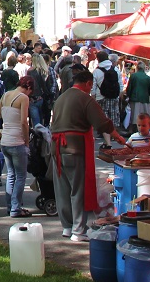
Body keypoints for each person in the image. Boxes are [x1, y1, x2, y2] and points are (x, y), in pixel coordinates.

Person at [50, 65, 125, 241]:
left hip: (57, 148)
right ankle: (78, 230)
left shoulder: (61, 98)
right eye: (91, 86)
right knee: (78, 189)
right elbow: (102, 123)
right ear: (88, 83)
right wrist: (118, 137)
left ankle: (67, 227)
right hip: (75, 148)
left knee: (62, 189)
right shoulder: (85, 99)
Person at [0, 72, 32, 217]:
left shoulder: (5, 95)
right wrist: (27, 141)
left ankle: (10, 206)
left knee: (11, 175)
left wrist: (8, 115)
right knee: (21, 176)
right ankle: (16, 207)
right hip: (17, 140)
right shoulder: (23, 98)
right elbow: (24, 122)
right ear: (28, 87)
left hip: (5, 141)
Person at [124, 59, 150, 130]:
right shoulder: (147, 78)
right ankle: (146, 130)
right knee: (146, 116)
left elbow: (129, 88)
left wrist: (128, 96)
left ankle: (134, 131)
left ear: (137, 68)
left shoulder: (133, 76)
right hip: (145, 99)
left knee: (135, 117)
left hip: (134, 99)